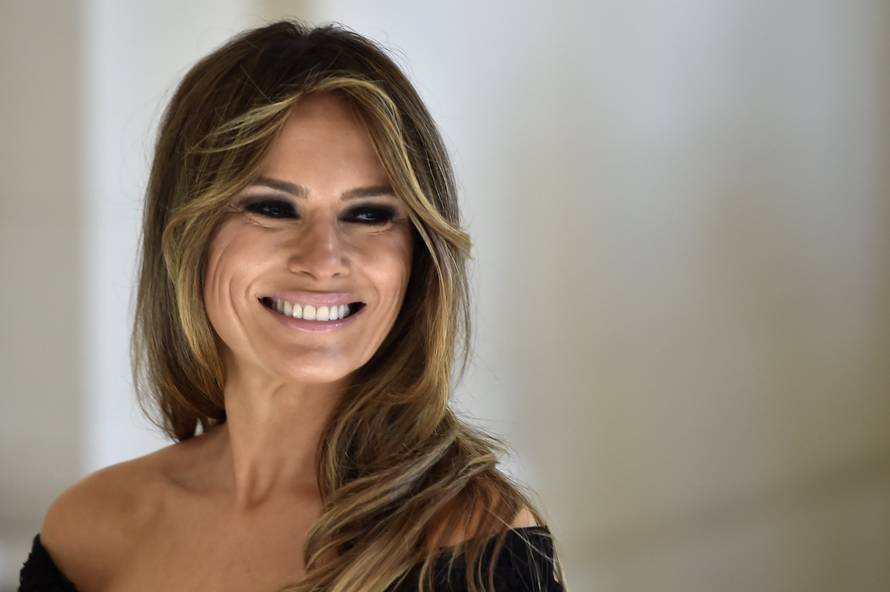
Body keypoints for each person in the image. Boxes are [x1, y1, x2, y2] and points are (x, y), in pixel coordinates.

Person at [19, 20, 565, 592]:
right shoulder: (88, 535)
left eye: (369, 213)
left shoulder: (474, 541)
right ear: (185, 235)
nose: (324, 258)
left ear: (417, 257)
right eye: (273, 207)